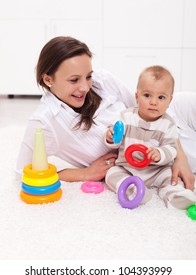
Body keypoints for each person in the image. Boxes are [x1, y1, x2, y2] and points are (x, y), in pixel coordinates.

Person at [16, 36, 195, 191]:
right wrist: (84, 173)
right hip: (154, 164)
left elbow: (148, 110)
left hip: (175, 120)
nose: (85, 87)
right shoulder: (45, 122)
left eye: (88, 76)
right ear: (48, 79)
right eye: (74, 80)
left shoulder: (104, 81)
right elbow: (22, 175)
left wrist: (181, 158)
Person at [105, 65, 196, 209]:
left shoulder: (168, 124)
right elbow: (116, 140)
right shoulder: (125, 116)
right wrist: (111, 137)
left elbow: (172, 149)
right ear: (137, 96)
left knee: (170, 177)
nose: (153, 102)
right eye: (147, 95)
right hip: (128, 168)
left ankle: (175, 195)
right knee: (111, 174)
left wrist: (159, 154)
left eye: (161, 97)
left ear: (169, 101)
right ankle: (133, 190)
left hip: (156, 170)